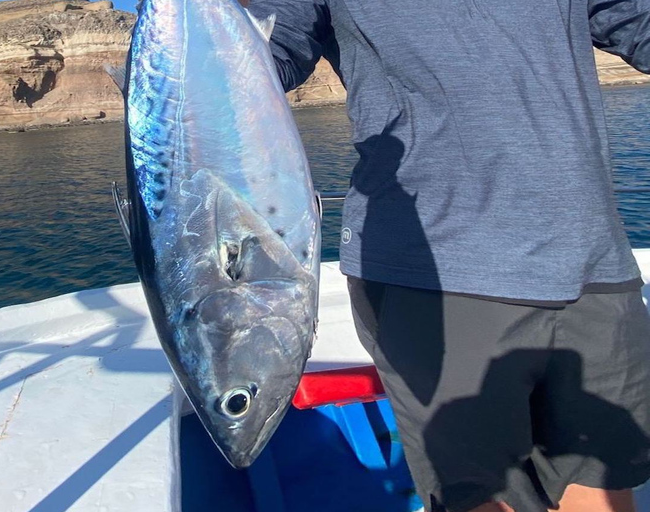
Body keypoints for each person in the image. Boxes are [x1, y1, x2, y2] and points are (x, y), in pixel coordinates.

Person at [241, 0, 650, 511]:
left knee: (602, 481)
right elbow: (258, 59)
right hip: (439, 273)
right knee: (481, 498)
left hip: (596, 262)